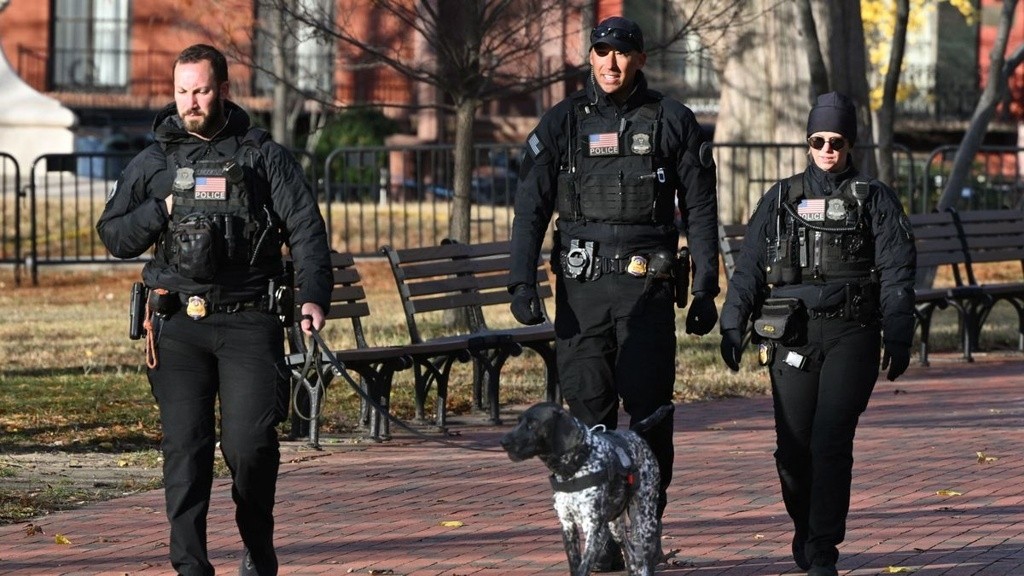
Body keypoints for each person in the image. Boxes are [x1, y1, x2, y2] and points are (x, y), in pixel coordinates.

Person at [96, 44, 332, 576]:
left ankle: (258, 549)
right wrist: (162, 209)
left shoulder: (262, 155)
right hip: (177, 324)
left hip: (249, 319)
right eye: (182, 91)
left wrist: (314, 295)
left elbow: (306, 229)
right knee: (186, 449)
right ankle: (191, 566)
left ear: (223, 89)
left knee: (250, 447)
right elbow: (114, 235)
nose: (191, 102)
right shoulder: (154, 161)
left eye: (201, 90)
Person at [507, 15, 720, 570]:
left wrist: (705, 286)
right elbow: (531, 207)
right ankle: (597, 536)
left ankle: (644, 525)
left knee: (649, 417)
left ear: (640, 60)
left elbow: (700, 207)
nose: (610, 62)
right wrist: (521, 280)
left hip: (647, 290)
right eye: (601, 51)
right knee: (588, 415)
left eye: (621, 53)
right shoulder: (563, 122)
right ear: (591, 58)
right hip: (582, 293)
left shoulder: (672, 120)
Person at [718, 92, 915, 576]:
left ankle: (824, 547)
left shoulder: (874, 199)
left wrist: (899, 331)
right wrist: (732, 322)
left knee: (830, 441)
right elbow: (749, 268)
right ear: (808, 143)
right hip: (793, 335)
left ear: (850, 144)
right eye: (818, 140)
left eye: (837, 141)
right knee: (792, 448)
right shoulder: (781, 199)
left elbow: (897, 270)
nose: (827, 149)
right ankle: (805, 527)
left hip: (853, 332)